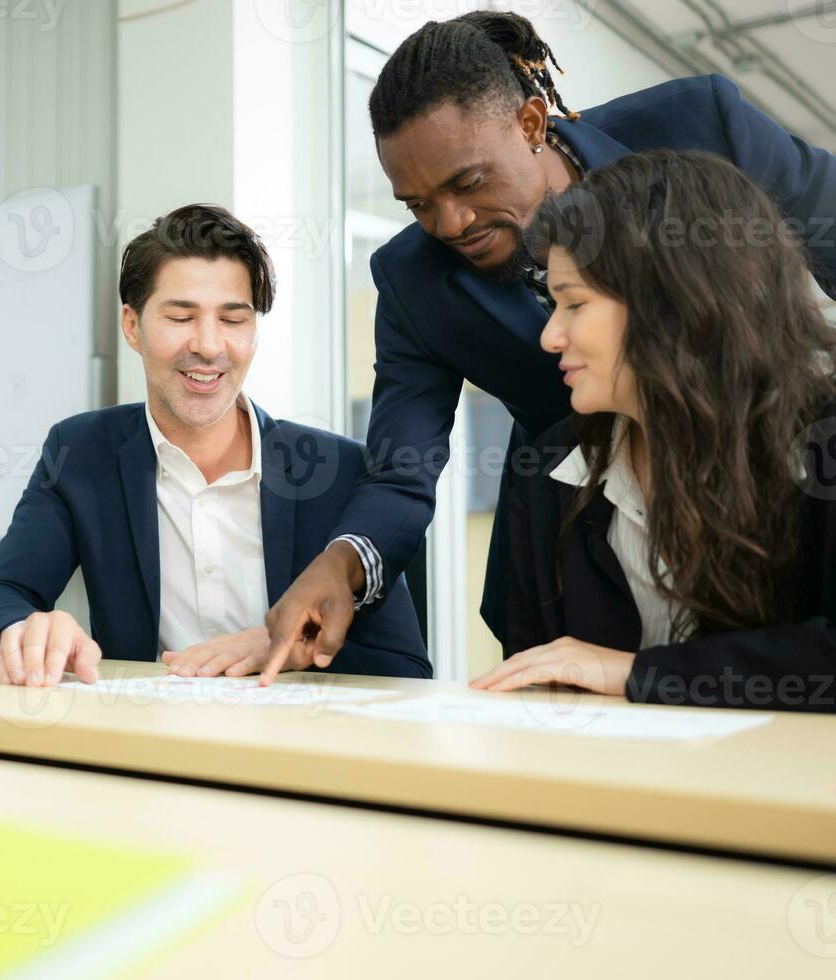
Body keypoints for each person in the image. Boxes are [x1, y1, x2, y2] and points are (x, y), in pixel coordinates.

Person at [257, 11, 836, 684]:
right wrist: (340, 565)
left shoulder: (701, 127)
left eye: (468, 183)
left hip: (758, 486)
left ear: (531, 125)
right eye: (416, 205)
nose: (450, 224)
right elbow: (400, 468)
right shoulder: (413, 279)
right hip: (577, 524)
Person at [0, 204, 430, 687]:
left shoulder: (339, 469)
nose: (208, 345)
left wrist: (290, 651)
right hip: (150, 744)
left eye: (233, 319)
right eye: (181, 317)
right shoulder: (81, 452)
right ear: (132, 326)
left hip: (298, 748)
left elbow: (406, 670)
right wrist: (25, 629)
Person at [470, 150, 836, 712]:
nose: (549, 336)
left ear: (673, 305)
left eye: (575, 304)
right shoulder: (549, 469)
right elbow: (539, 685)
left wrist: (638, 673)